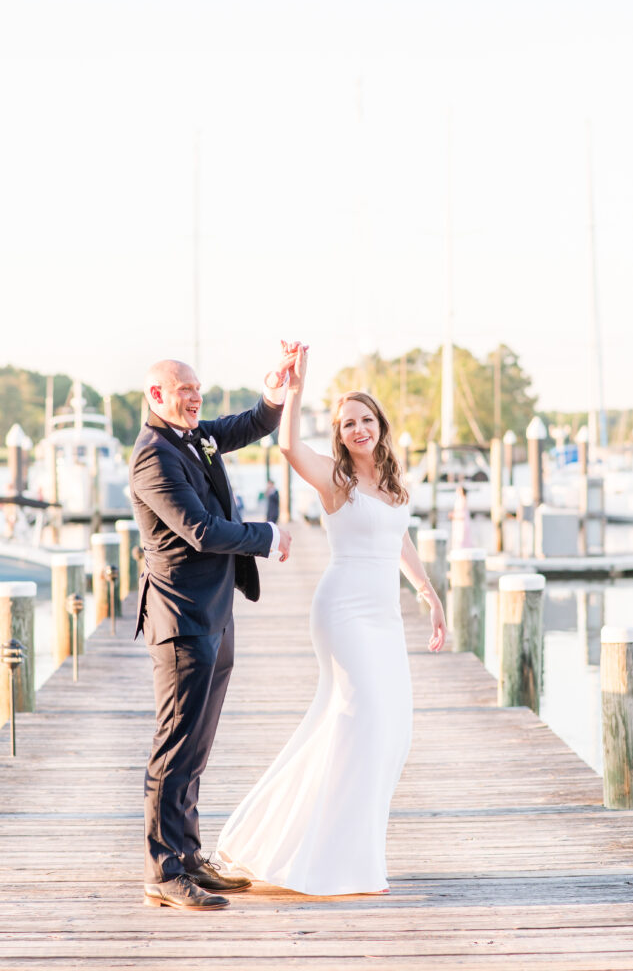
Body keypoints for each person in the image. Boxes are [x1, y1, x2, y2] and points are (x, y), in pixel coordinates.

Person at [216, 346, 447, 896]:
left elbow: (399, 539)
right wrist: (296, 388)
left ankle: (354, 855)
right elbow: (291, 445)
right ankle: (327, 860)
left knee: (392, 731)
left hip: (386, 618)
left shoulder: (393, 484)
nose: (359, 429)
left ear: (380, 426)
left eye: (367, 419)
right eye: (348, 423)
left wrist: (428, 592)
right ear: (340, 435)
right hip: (343, 612)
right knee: (358, 721)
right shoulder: (335, 481)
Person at [129, 344, 299, 911]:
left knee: (197, 745)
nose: (195, 396)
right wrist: (267, 537)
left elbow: (249, 424)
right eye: (184, 389)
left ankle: (189, 855)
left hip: (215, 613)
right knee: (174, 747)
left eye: (198, 387)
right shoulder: (154, 456)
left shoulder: (192, 435)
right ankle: (163, 870)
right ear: (156, 395)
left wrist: (273, 391)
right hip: (181, 619)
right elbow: (200, 530)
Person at [449, 483, 473, 549]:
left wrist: (453, 515)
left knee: (461, 537)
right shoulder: (460, 500)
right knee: (457, 537)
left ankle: (461, 549)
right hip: (458, 521)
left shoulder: (463, 500)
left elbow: (462, 514)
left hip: (461, 522)